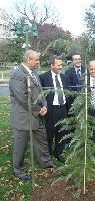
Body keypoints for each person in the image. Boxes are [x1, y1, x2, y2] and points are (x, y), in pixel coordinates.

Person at [9, 50, 58, 182]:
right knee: (21, 145)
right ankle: (19, 171)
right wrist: (38, 110)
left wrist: (45, 105)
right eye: (36, 60)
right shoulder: (17, 75)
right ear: (28, 60)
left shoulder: (34, 73)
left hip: (37, 115)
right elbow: (23, 98)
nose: (38, 62)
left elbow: (41, 92)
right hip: (23, 118)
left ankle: (46, 163)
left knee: (42, 141)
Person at [40, 55, 69, 164]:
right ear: (51, 65)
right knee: (49, 133)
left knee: (61, 133)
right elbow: (40, 95)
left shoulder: (64, 78)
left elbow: (67, 94)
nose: (61, 67)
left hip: (63, 109)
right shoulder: (43, 78)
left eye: (61, 64)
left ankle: (58, 153)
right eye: (58, 65)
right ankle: (47, 156)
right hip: (51, 110)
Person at [64, 53, 85, 148]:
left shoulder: (86, 71)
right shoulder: (68, 73)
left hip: (84, 101)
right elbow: (68, 89)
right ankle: (69, 141)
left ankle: (84, 140)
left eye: (79, 59)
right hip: (72, 101)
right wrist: (76, 99)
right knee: (71, 122)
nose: (78, 61)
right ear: (72, 62)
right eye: (75, 59)